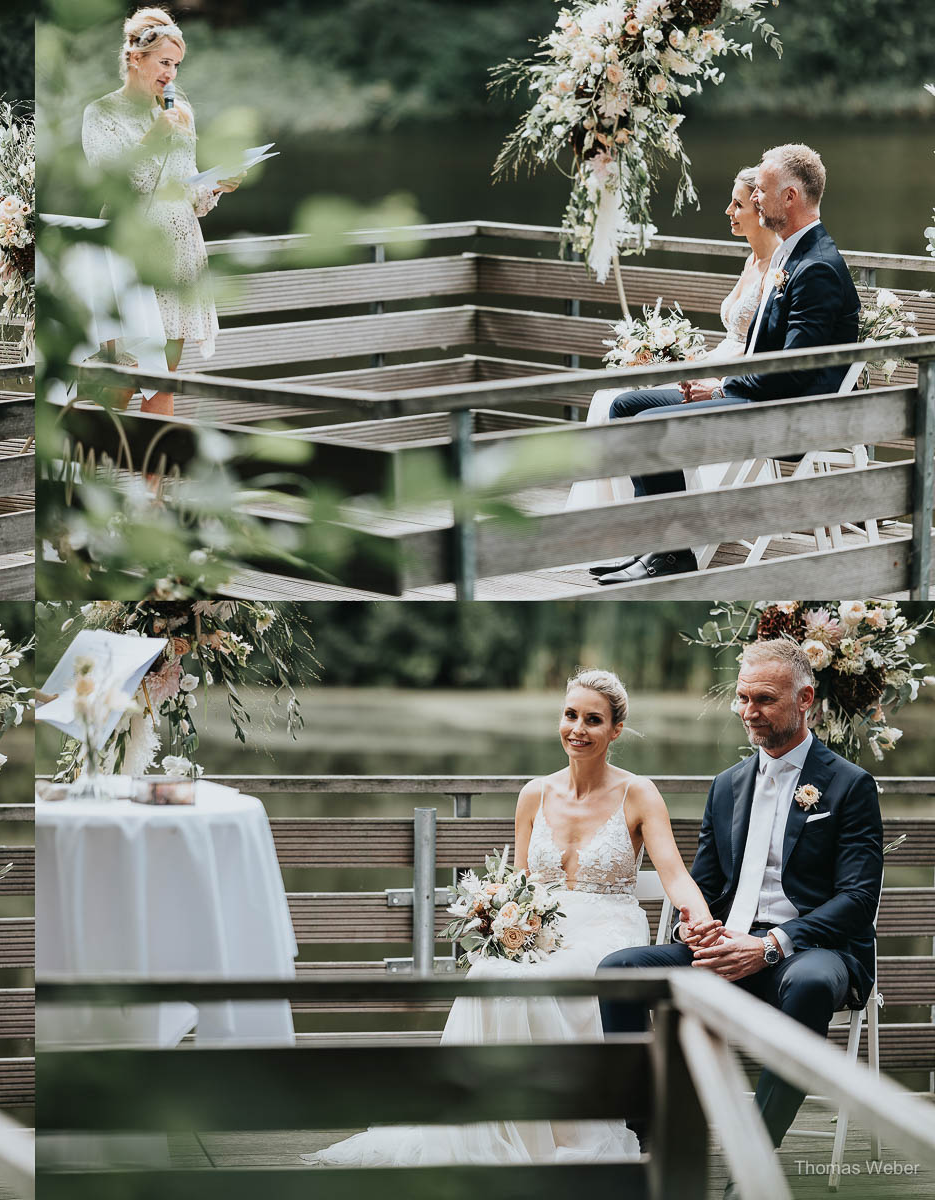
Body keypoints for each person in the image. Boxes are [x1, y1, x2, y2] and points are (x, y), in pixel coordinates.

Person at [302, 670, 708, 1167]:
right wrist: (500, 918)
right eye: (570, 715)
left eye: (593, 720)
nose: (577, 729)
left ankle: (557, 1130)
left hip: (608, 927)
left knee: (544, 982)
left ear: (615, 730)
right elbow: (519, 885)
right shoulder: (533, 793)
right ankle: (488, 1123)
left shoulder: (639, 793)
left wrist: (699, 918)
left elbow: (675, 875)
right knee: (491, 973)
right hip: (543, 926)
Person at [600, 639, 883, 1167]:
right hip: (726, 944)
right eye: (742, 697)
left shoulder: (849, 785)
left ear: (805, 699)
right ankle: (645, 1139)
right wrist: (693, 929)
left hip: (807, 951)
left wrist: (771, 945)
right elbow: (704, 884)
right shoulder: (727, 785)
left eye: (764, 700)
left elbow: (858, 899)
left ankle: (753, 1156)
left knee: (813, 984)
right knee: (620, 969)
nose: (748, 712)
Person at [593, 144, 861, 583]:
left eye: (763, 190)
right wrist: (720, 380)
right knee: (625, 406)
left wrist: (719, 388)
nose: (755, 197)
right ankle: (656, 545)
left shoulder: (817, 268)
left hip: (786, 416)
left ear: (790, 197)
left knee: (649, 424)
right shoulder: (791, 253)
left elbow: (790, 371)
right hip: (755, 395)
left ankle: (671, 554)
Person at [569, 167, 783, 523]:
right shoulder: (750, 260)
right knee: (610, 395)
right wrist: (683, 355)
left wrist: (710, 377)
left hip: (729, 379)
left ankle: (647, 521)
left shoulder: (778, 267)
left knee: (618, 404)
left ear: (760, 212)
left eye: (738, 204)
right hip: (715, 360)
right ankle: (622, 515)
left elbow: (760, 343)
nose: (729, 211)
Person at [81, 8, 241, 416]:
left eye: (176, 66)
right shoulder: (100, 114)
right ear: (136, 58)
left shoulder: (179, 113)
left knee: (162, 385)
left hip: (180, 258)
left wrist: (218, 185)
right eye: (165, 62)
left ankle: (150, 482)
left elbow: (189, 194)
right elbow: (113, 187)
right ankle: (90, 468)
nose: (171, 74)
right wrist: (154, 136)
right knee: (124, 382)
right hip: (130, 259)